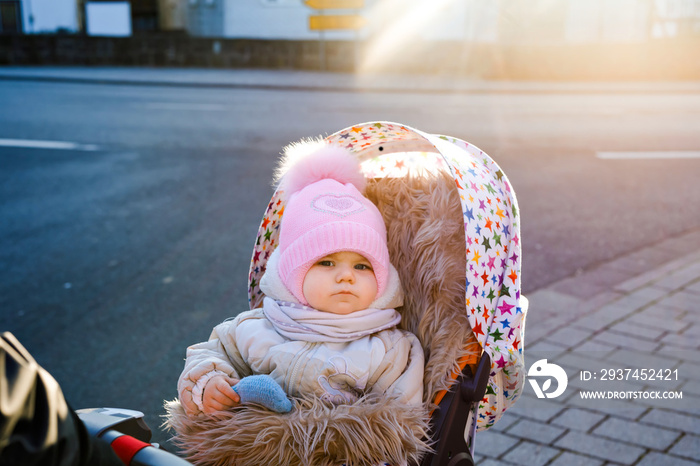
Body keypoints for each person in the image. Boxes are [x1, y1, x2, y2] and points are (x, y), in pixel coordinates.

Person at [177, 141, 424, 418]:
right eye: (326, 262)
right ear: (293, 274)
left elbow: (401, 421)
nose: (346, 276)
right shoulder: (254, 328)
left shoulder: (388, 350)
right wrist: (209, 385)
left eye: (362, 266)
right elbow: (208, 356)